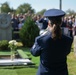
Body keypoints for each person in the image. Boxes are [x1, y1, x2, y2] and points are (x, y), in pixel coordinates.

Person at [30, 9, 73, 75]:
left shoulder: (41, 39)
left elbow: (34, 53)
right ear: (61, 23)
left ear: (49, 23)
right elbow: (67, 52)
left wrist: (43, 35)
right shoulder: (68, 40)